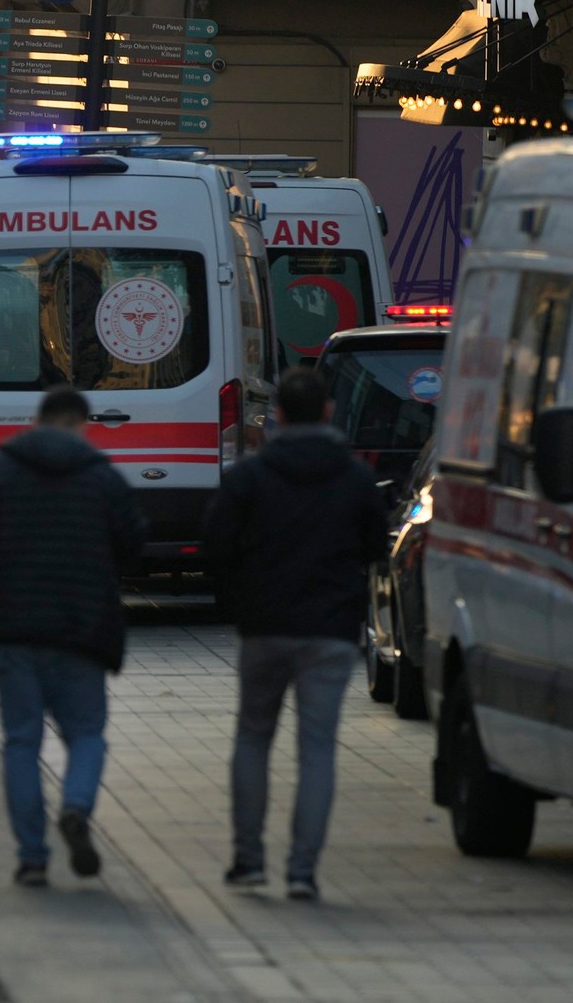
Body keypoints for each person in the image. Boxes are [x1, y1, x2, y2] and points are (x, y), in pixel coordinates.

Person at [0, 386, 143, 889]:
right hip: (82, 627)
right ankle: (76, 807)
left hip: (12, 628)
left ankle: (32, 857)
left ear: (37, 421)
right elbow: (133, 544)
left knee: (22, 740)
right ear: (80, 424)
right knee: (86, 734)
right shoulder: (102, 477)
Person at [204, 365, 387, 902]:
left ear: (278, 415)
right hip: (329, 632)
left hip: (263, 627)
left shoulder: (250, 476)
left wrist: (242, 593)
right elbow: (377, 549)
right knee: (317, 749)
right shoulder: (353, 477)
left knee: (253, 737)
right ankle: (303, 871)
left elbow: (214, 546)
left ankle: (248, 859)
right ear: (328, 412)